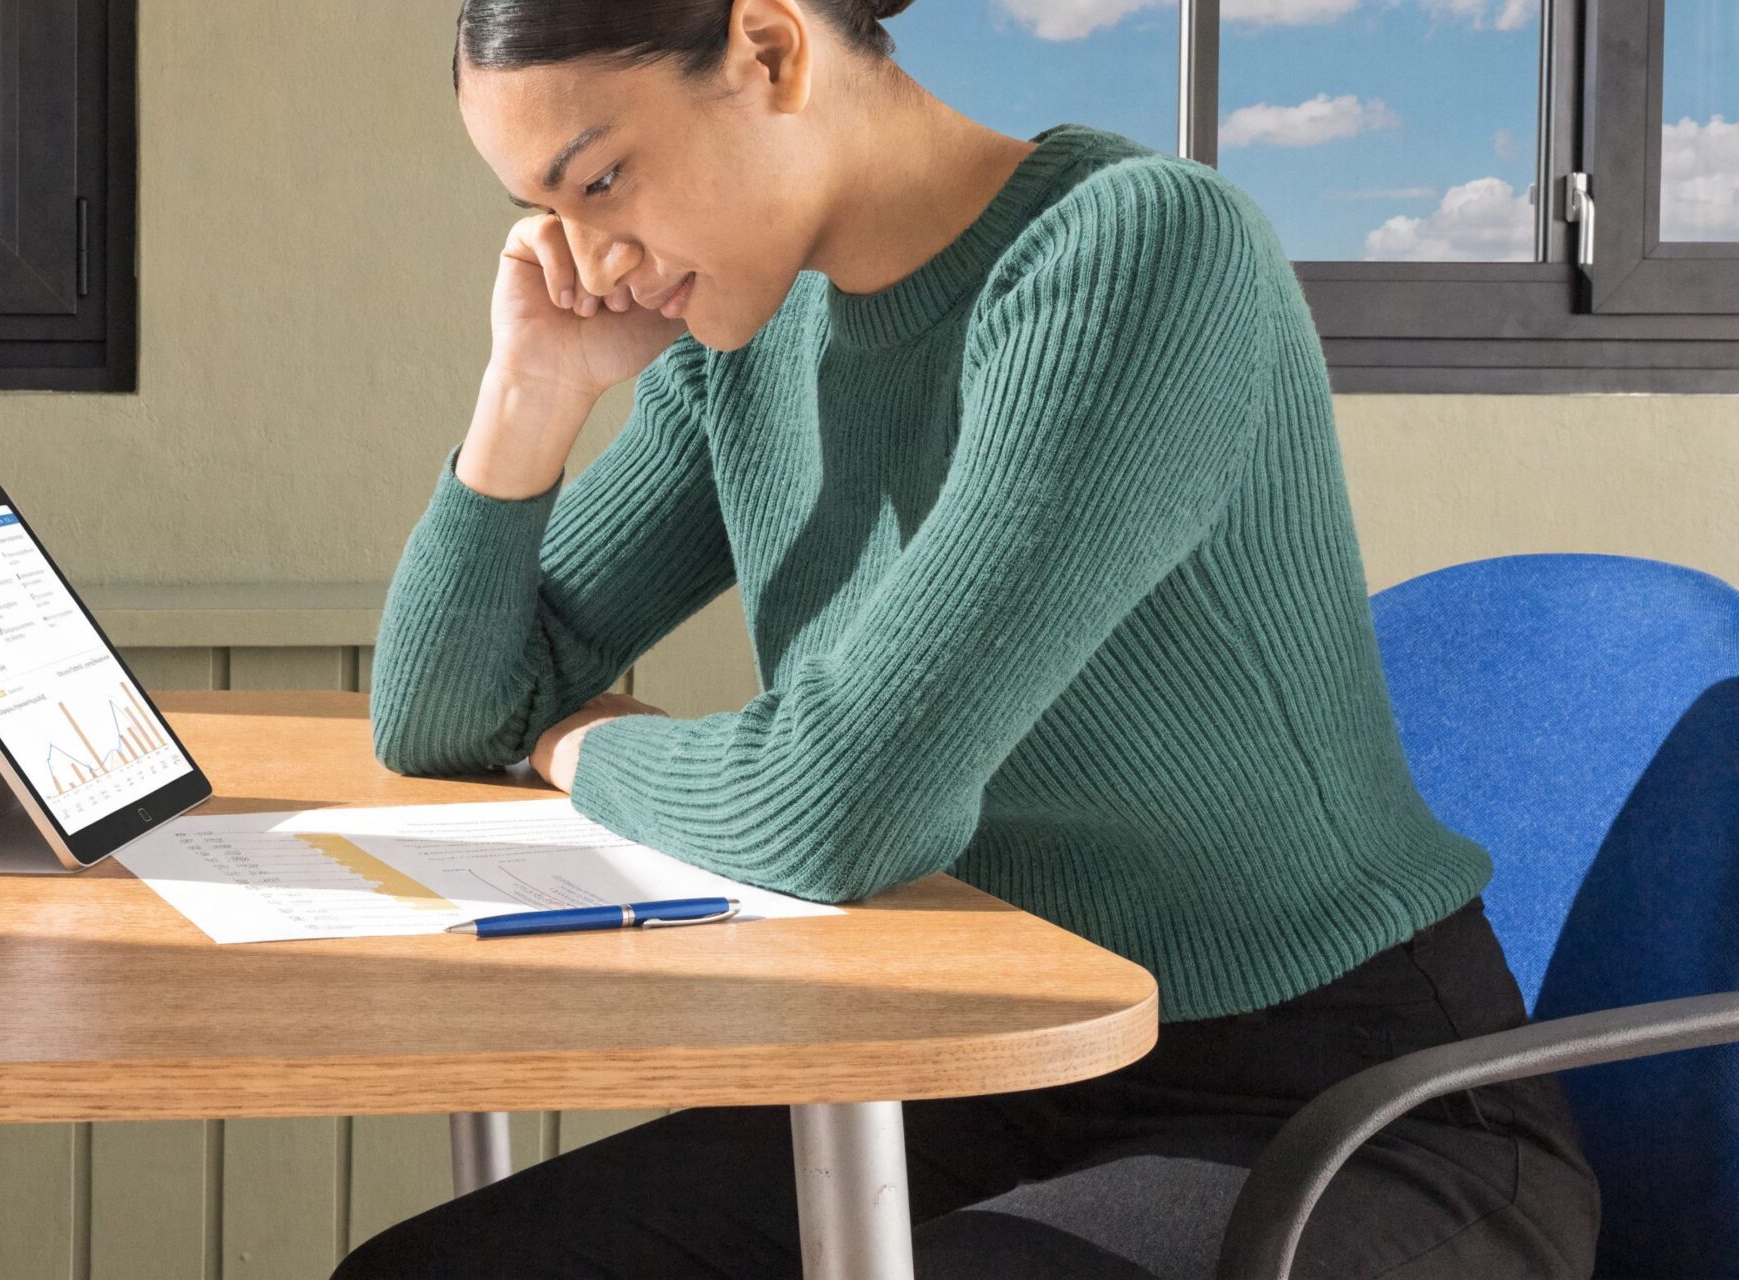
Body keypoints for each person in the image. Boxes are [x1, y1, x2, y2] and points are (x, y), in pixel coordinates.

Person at [339, 1, 1602, 1277]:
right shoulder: (751, 342)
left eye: (601, 180)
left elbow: (838, 807)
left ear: (769, 51)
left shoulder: (1136, 249)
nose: (593, 258)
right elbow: (443, 716)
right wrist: (529, 393)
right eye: (549, 212)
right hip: (976, 1068)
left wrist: (584, 747)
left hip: (1333, 1109)